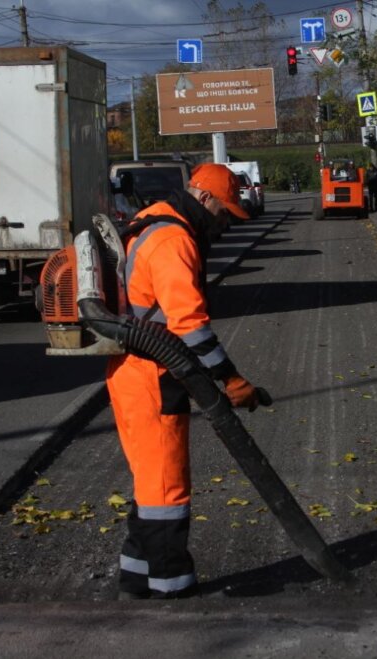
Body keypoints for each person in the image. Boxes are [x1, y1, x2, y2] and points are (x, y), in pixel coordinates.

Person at [105, 163, 262, 599]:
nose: (225, 222)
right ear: (206, 199)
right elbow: (190, 326)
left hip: (137, 372)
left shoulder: (154, 219)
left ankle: (137, 580)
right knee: (166, 488)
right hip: (153, 375)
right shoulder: (174, 240)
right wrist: (230, 378)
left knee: (151, 483)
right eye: (225, 212)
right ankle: (172, 589)